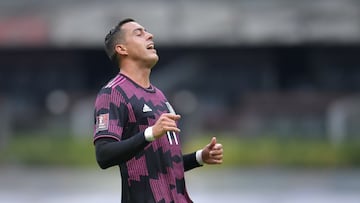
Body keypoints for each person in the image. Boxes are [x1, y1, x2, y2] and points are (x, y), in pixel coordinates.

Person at [93, 18, 223, 203]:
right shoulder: (113, 93)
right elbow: (103, 155)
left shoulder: (159, 96)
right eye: (139, 33)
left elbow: (163, 165)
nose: (149, 35)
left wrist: (199, 157)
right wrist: (150, 133)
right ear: (122, 49)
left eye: (146, 31)